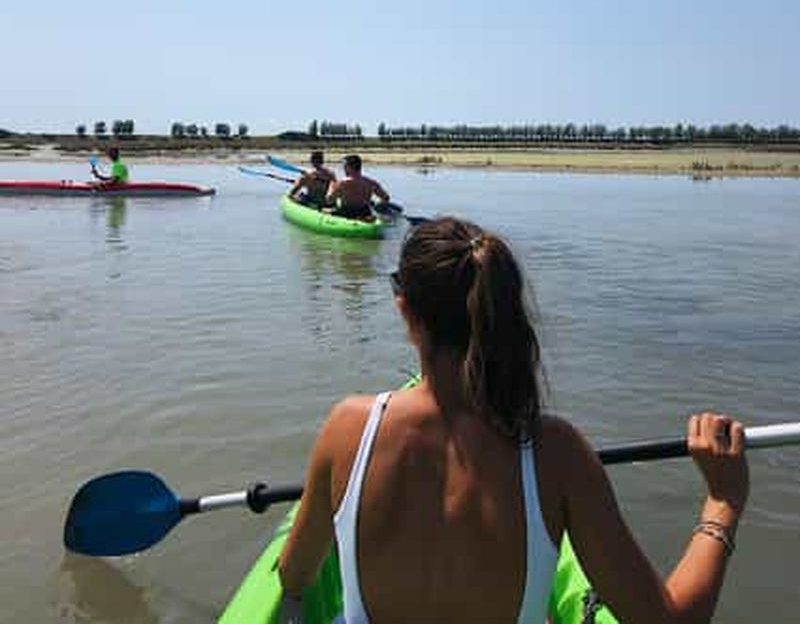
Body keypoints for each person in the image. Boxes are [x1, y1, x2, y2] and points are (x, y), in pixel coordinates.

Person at [278, 217, 748, 623]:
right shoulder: (557, 453)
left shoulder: (349, 427)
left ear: (406, 310)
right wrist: (722, 503)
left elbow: (294, 575)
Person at [324, 154, 390, 219]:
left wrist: (331, 187)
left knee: (324, 211)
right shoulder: (371, 183)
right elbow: (386, 197)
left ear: (348, 167)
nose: (343, 169)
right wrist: (377, 206)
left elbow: (329, 200)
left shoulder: (342, 183)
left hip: (346, 213)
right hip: (364, 213)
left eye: (344, 166)